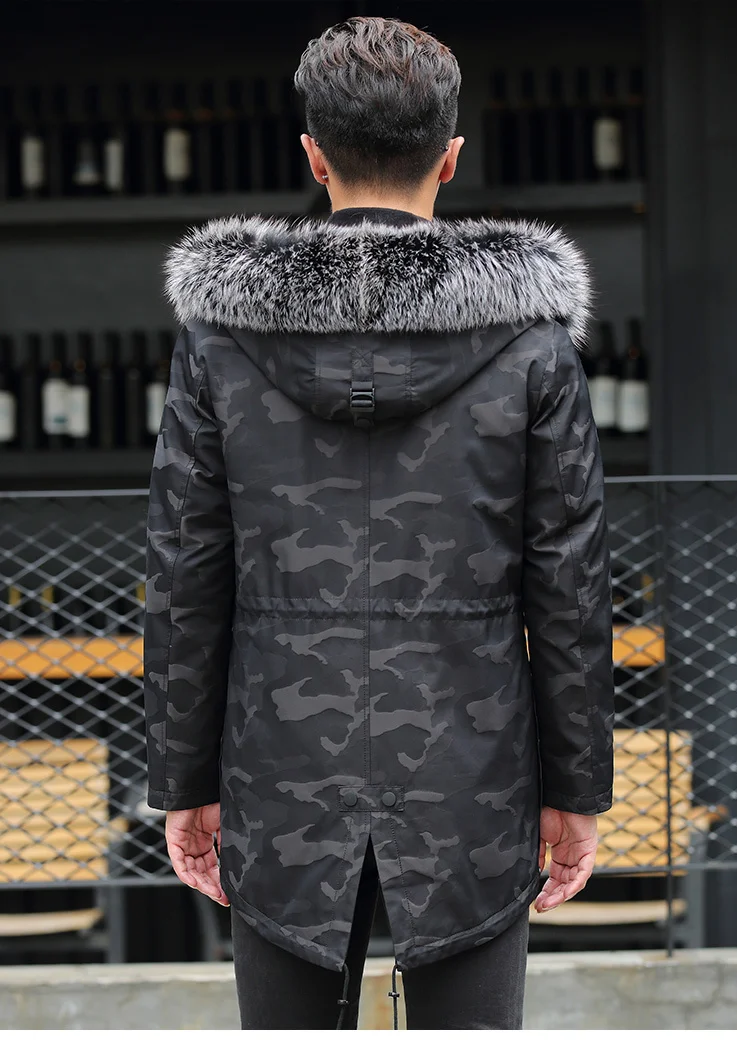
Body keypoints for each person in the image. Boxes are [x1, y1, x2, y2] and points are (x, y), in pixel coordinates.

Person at [143, 15, 614, 1031]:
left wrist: (183, 780)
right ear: (451, 157)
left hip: (278, 771)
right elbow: (568, 590)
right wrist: (577, 790)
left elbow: (186, 576)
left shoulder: (220, 343)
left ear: (313, 156)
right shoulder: (532, 348)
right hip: (474, 777)